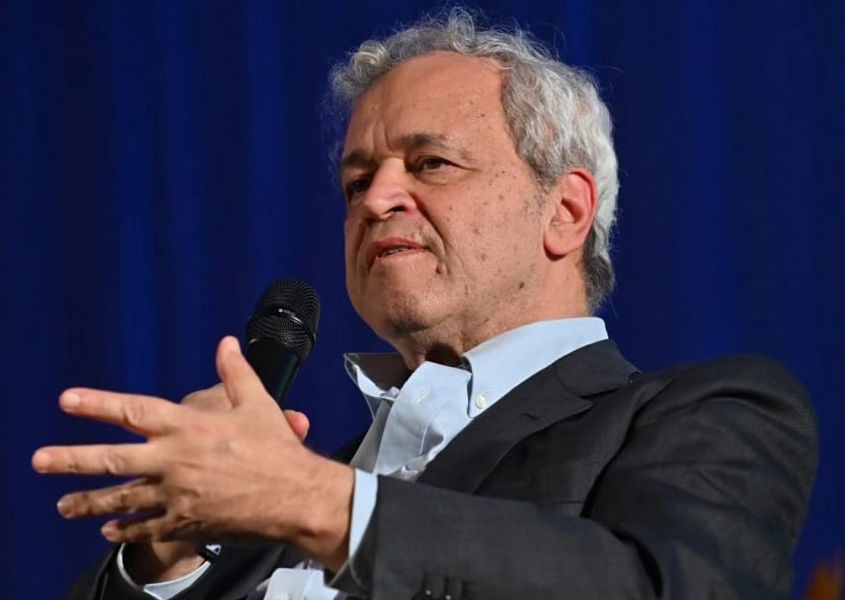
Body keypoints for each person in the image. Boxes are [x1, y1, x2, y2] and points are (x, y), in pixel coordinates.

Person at [35, 10, 818, 600]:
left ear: (565, 211)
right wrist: (165, 560)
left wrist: (319, 506)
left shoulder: (708, 413)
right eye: (356, 181)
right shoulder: (272, 497)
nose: (375, 200)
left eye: (431, 163)